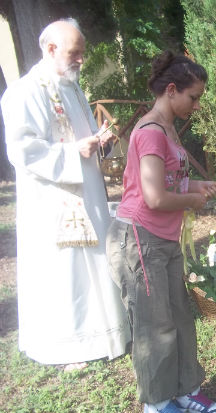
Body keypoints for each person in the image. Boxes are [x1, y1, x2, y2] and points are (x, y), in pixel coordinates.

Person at [106, 50, 216, 413]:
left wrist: (196, 185)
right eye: (193, 97)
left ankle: (186, 389)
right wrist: (191, 200)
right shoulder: (151, 131)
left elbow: (171, 181)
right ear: (171, 90)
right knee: (153, 324)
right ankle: (156, 402)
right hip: (139, 239)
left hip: (164, 239)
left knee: (178, 317)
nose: (196, 104)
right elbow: (155, 198)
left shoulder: (169, 127)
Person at [0, 18, 130, 370]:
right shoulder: (24, 92)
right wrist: (75, 152)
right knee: (65, 273)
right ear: (51, 48)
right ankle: (67, 346)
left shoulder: (72, 88)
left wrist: (97, 141)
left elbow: (81, 137)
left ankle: (105, 334)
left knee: (93, 264)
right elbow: (23, 151)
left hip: (86, 191)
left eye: (82, 53)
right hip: (52, 201)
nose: (81, 60)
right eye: (75, 52)